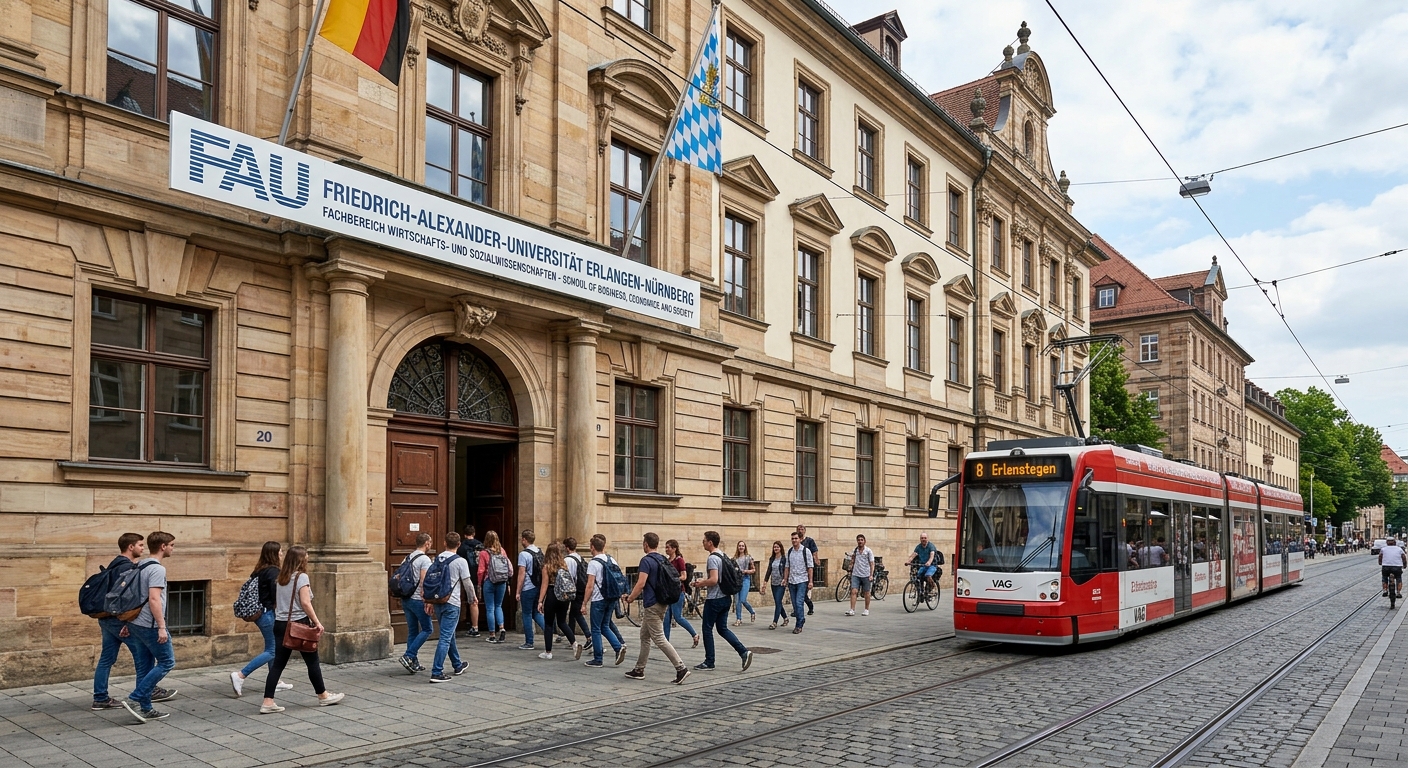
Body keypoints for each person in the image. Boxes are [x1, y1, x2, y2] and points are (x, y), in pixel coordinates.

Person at [259, 545, 345, 711]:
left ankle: (268, 701)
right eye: (306, 557)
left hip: (280, 623)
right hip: (299, 624)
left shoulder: (281, 578)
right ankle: (323, 696)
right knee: (312, 661)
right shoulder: (301, 577)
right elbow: (305, 603)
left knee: (277, 664)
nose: (307, 559)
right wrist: (317, 622)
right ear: (300, 560)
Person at [122, 531, 178, 723]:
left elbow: (131, 595)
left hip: (136, 623)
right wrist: (162, 626)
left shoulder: (139, 564)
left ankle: (145, 708)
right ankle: (135, 698)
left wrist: (127, 622)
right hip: (150, 624)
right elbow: (154, 599)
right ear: (163, 546)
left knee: (145, 667)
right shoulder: (157, 569)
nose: (172, 548)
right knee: (167, 662)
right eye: (171, 545)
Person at [93, 533, 151, 711]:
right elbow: (126, 599)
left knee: (106, 658)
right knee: (144, 656)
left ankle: (100, 698)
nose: (143, 548)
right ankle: (147, 690)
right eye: (140, 545)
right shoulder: (126, 567)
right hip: (118, 619)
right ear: (131, 547)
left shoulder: (115, 563)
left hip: (106, 618)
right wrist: (127, 622)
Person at [623, 532, 691, 684]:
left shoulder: (646, 561)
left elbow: (641, 583)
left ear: (646, 544)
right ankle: (639, 669)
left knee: (659, 638)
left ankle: (681, 668)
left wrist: (630, 598)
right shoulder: (662, 559)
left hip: (652, 603)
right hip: (663, 601)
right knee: (644, 636)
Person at [231, 541, 295, 695]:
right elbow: (276, 596)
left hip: (262, 613)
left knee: (274, 647)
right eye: (280, 551)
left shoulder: (260, 570)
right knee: (272, 650)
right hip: (267, 614)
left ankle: (275, 681)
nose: (281, 554)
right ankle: (240, 675)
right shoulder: (273, 572)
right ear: (274, 553)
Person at [693, 531, 753, 672]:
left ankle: (709, 661)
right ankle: (743, 652)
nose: (703, 542)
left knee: (707, 629)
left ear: (710, 542)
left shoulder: (712, 558)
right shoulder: (722, 554)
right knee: (722, 628)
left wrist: (700, 583)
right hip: (726, 597)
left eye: (704, 540)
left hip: (715, 599)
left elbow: (714, 580)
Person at [427, 532, 472, 682]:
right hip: (452, 602)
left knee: (449, 633)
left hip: (439, 601)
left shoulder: (437, 559)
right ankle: (437, 671)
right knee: (445, 637)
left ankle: (457, 664)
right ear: (459, 545)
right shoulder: (461, 561)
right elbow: (467, 582)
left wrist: (428, 601)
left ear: (444, 543)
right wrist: (472, 599)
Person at [582, 533, 628, 667]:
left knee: (596, 629)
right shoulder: (611, 559)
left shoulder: (594, 563)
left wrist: (584, 603)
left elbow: (590, 585)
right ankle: (618, 647)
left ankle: (598, 659)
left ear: (592, 547)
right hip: (612, 597)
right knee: (605, 626)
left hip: (599, 599)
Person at [397, 533, 435, 672]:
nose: (431, 545)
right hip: (418, 599)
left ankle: (413, 663)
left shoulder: (408, 557)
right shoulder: (424, 559)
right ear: (426, 543)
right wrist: (427, 600)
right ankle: (409, 655)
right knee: (427, 629)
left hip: (406, 598)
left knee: (413, 631)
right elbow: (425, 580)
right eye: (430, 542)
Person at [537, 542, 577, 660]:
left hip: (552, 594)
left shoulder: (547, 567)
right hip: (564, 596)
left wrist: (540, 601)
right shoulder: (564, 565)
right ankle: (574, 643)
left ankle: (548, 652)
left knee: (549, 623)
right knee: (562, 622)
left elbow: (544, 585)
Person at [661, 539, 699, 647]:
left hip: (678, 591)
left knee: (678, 617)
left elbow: (684, 576)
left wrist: (674, 579)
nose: (666, 549)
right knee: (666, 618)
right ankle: (666, 642)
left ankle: (694, 634)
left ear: (674, 548)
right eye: (666, 547)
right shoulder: (667, 561)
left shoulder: (679, 560)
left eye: (668, 547)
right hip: (669, 593)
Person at [479, 531, 511, 643]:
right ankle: (502, 628)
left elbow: (481, 571)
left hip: (489, 581)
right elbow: (508, 568)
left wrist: (479, 583)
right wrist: (508, 583)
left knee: (490, 608)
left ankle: (492, 634)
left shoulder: (483, 553)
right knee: (498, 606)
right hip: (502, 582)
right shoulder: (502, 551)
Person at [516, 530, 545, 650]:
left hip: (528, 587)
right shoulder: (539, 551)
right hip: (538, 586)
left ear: (524, 539)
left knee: (526, 614)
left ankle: (529, 642)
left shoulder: (523, 555)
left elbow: (521, 574)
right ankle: (549, 632)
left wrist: (518, 591)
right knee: (536, 612)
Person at [563, 537, 592, 648]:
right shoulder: (579, 557)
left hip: (574, 589)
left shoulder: (568, 560)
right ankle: (572, 639)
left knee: (577, 613)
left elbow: (568, 576)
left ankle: (589, 637)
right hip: (581, 588)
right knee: (572, 614)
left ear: (567, 547)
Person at [784, 532, 814, 634]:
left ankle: (799, 624)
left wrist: (810, 581)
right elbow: (787, 567)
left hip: (802, 580)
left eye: (796, 538)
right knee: (794, 604)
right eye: (792, 538)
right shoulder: (789, 552)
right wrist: (785, 579)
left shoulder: (806, 551)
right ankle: (801, 618)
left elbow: (810, 567)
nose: (794, 540)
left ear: (800, 539)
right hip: (792, 581)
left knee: (799, 602)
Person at [456, 525, 483, 637]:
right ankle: (475, 626)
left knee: (460, 599)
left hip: (464, 577)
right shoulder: (481, 545)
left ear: (464, 534)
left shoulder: (461, 547)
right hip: (478, 576)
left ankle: (459, 623)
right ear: (474, 533)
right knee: (474, 601)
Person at [847, 534, 876, 617]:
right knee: (853, 591)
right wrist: (850, 568)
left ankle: (866, 609)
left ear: (864, 541)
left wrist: (871, 574)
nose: (860, 541)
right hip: (856, 574)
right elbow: (852, 560)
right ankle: (852, 609)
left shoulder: (868, 551)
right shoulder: (855, 550)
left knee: (866, 592)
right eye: (858, 540)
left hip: (866, 574)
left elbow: (872, 563)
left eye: (861, 540)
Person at [795, 525, 819, 615]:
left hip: (807, 569)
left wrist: (816, 560)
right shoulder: (796, 541)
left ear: (805, 531)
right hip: (798, 570)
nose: (800, 531)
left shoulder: (809, 541)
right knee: (797, 592)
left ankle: (810, 606)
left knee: (803, 593)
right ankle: (797, 609)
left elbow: (815, 552)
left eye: (802, 529)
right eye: (798, 529)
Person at [765, 540, 789, 629]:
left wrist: (785, 579)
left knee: (778, 602)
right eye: (774, 547)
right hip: (773, 583)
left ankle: (774, 622)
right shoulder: (772, 558)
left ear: (780, 548)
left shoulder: (784, 558)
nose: (776, 548)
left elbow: (786, 570)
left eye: (777, 547)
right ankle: (786, 618)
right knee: (778, 602)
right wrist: (765, 582)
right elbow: (769, 570)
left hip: (781, 583)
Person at [732, 541, 757, 625]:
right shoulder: (735, 559)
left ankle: (752, 611)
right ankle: (738, 619)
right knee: (737, 600)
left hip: (745, 579)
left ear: (745, 547)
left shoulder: (748, 557)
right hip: (737, 580)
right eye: (739, 546)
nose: (741, 547)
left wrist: (746, 571)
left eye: (742, 546)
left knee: (742, 599)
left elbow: (753, 570)